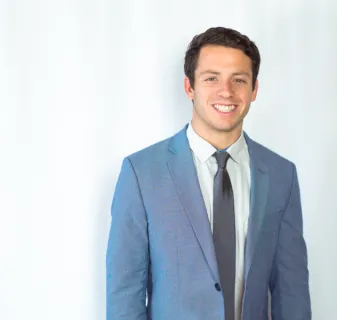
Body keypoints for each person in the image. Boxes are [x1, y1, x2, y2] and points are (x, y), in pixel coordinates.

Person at [106, 26, 311, 320]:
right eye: (211, 78)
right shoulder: (142, 173)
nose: (226, 91)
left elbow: (292, 291)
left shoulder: (281, 174)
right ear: (190, 87)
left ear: (254, 90)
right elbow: (125, 291)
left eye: (239, 80)